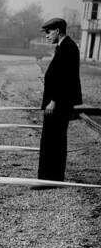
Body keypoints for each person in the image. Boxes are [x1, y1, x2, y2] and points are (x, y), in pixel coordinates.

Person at [36, 17, 82, 185]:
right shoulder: (62, 47)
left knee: (53, 140)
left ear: (57, 30)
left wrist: (54, 100)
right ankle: (50, 178)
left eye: (48, 32)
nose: (46, 36)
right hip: (57, 102)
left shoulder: (68, 48)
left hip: (59, 104)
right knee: (51, 140)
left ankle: (50, 179)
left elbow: (67, 79)